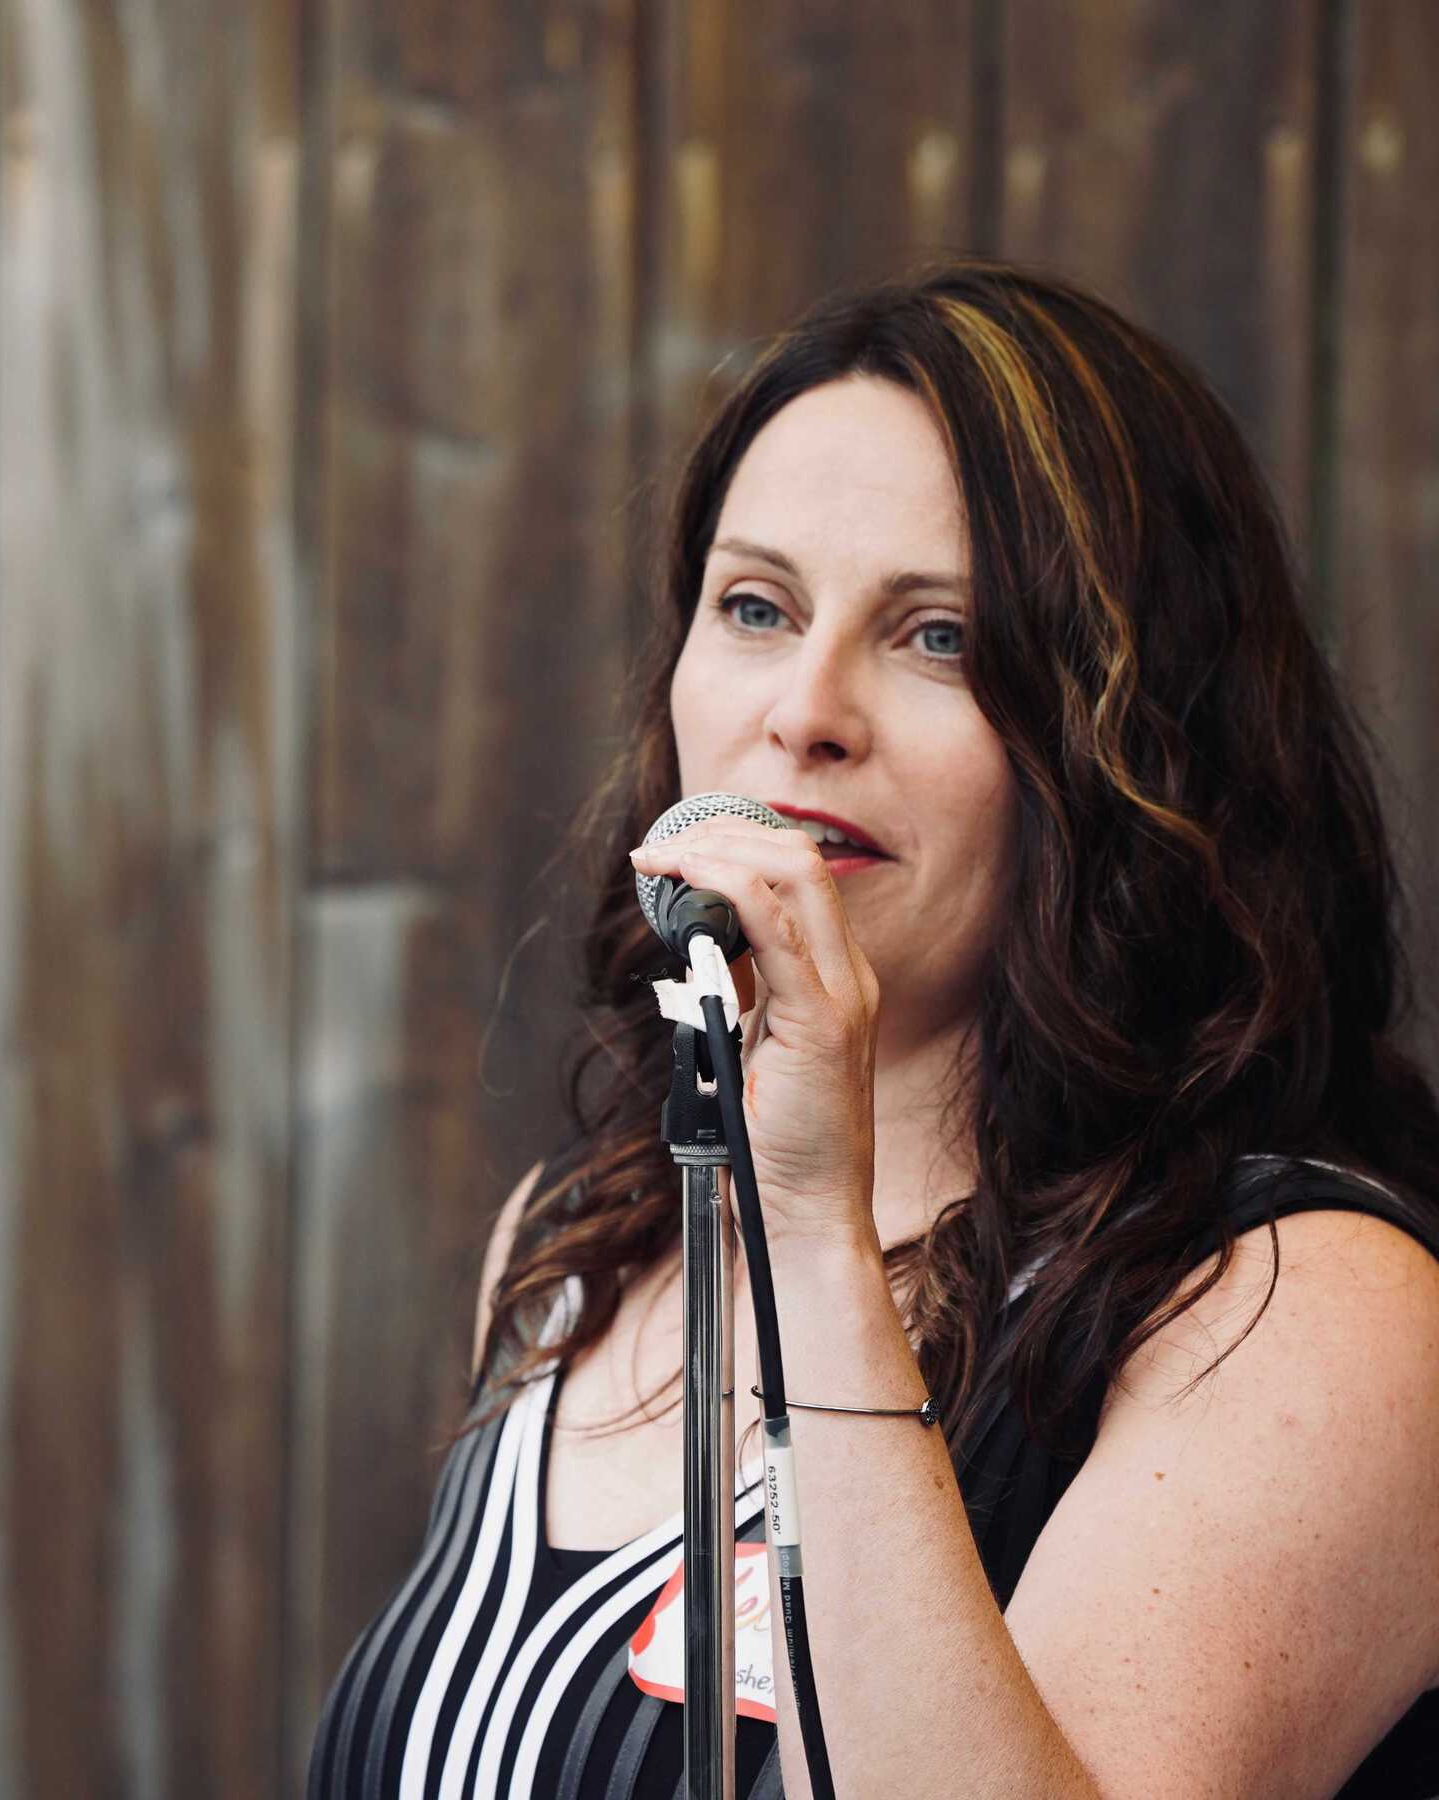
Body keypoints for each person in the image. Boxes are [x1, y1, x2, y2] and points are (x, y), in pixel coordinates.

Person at [307, 260, 1439, 1798]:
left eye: (940, 638)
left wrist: (808, 1228)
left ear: (1135, 739)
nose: (807, 711)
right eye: (757, 608)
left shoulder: (1308, 1311)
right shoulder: (579, 1242)